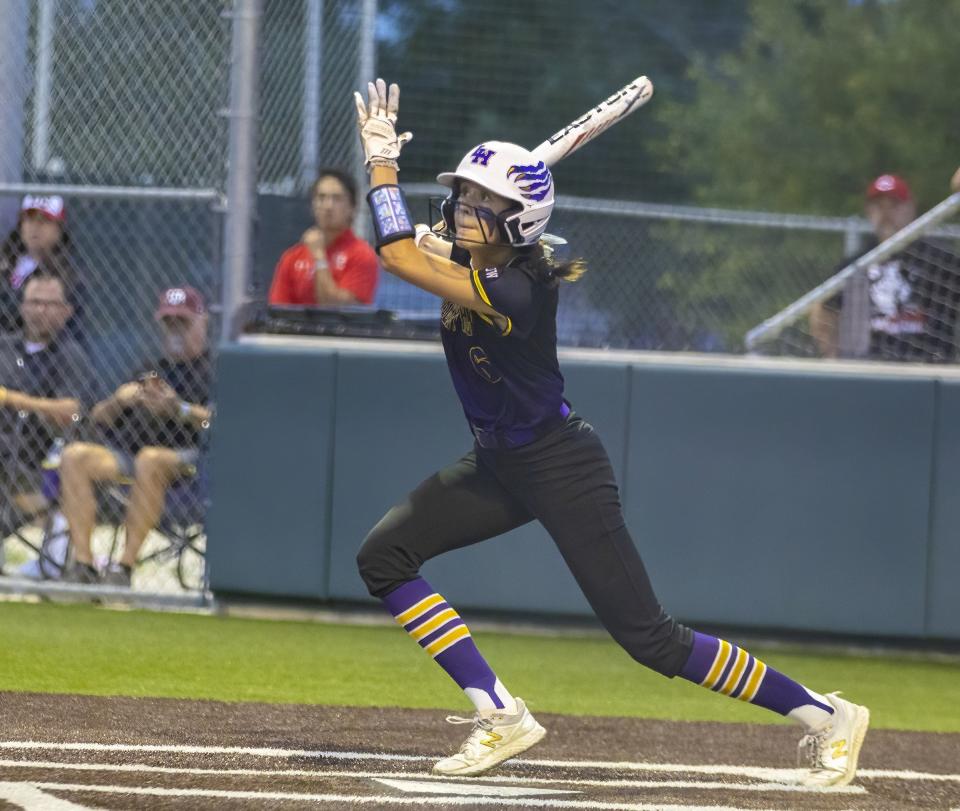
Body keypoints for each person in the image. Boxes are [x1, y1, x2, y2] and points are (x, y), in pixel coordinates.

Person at [351, 79, 869, 786]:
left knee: (650, 638)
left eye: (484, 203)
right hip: (498, 464)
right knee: (384, 556)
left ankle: (826, 715)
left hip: (560, 466)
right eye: (465, 198)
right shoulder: (478, 263)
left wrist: (381, 166)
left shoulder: (517, 289)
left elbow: (399, 257)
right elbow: (421, 251)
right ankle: (500, 713)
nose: (467, 209)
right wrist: (440, 236)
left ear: (522, 222)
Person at [59, 285, 212, 586]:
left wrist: (177, 408)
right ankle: (84, 564)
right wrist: (120, 401)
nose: (175, 331)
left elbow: (216, 422)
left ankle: (123, 568)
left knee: (150, 459)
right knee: (75, 456)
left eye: (183, 323)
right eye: (169, 324)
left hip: (189, 458)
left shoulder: (212, 368)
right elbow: (96, 418)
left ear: (201, 323)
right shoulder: (150, 367)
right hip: (131, 453)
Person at [810, 174, 960, 361]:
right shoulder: (858, 261)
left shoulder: (939, 258)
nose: (886, 214)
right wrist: (832, 354)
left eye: (894, 205)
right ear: (868, 210)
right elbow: (824, 305)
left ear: (911, 208)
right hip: (871, 368)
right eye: (878, 206)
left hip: (927, 366)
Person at [0, 273, 93, 522]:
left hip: (34, 452)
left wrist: (10, 398)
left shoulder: (71, 355)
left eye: (50, 304)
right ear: (22, 307)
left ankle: (39, 509)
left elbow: (70, 410)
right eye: (34, 302)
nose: (40, 310)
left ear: (66, 311)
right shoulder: (4, 347)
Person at [268, 168, 379, 307]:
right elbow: (278, 309)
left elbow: (334, 307)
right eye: (321, 197)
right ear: (312, 205)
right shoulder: (292, 257)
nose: (328, 206)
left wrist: (319, 257)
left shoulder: (362, 255)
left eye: (337, 198)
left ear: (352, 207)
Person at [0, 195, 84, 341]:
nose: (35, 227)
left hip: (39, 352)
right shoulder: (6, 260)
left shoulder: (67, 274)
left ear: (59, 229)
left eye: (44, 221)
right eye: (29, 219)